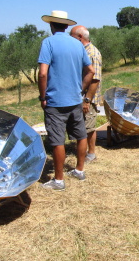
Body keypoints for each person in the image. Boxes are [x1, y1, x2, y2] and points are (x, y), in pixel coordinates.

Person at [38, 10, 95, 191]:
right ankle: (79, 170)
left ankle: (59, 180)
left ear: (51, 25)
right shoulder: (77, 44)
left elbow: (43, 73)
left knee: (57, 140)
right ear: (66, 26)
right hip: (75, 100)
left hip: (55, 102)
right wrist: (80, 88)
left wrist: (43, 96)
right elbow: (91, 71)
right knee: (80, 135)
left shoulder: (48, 43)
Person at [70, 25, 102, 164]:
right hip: (80, 96)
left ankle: (91, 153)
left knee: (89, 127)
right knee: (82, 126)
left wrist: (87, 100)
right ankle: (83, 150)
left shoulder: (92, 54)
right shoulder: (83, 51)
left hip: (89, 98)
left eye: (72, 36)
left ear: (80, 37)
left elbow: (95, 80)